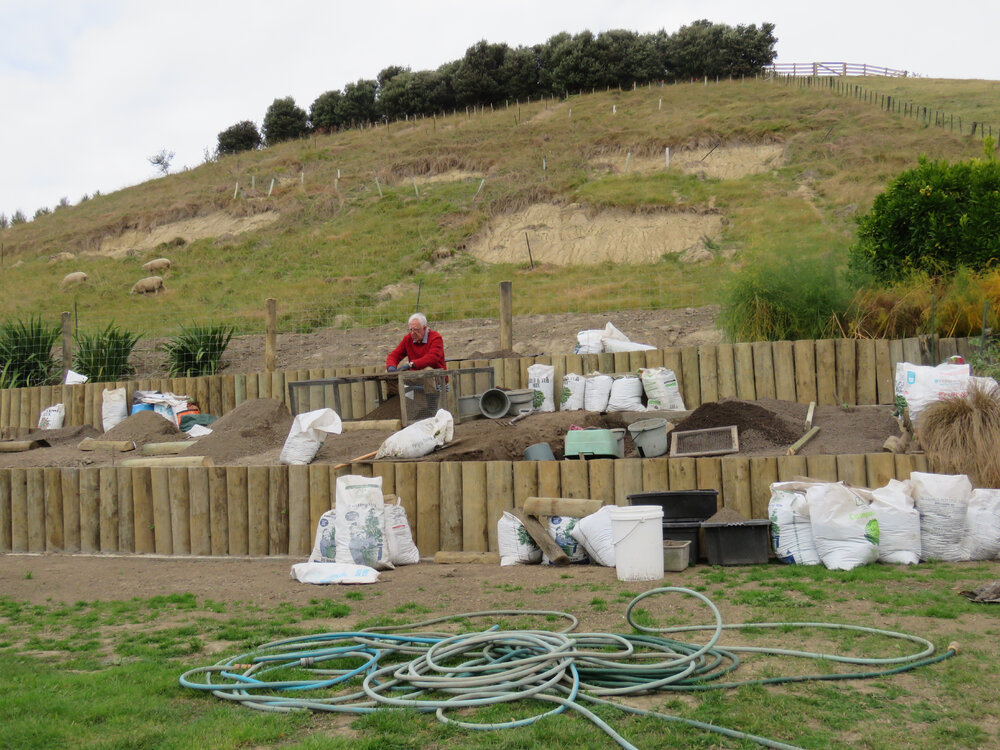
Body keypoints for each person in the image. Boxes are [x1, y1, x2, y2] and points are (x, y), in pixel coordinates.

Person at [385, 313, 446, 415]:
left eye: (416, 330)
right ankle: (395, 408)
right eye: (411, 330)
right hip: (415, 375)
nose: (413, 333)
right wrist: (391, 368)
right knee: (388, 372)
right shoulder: (408, 339)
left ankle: (432, 410)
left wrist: (411, 364)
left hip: (436, 377)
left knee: (427, 371)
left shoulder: (436, 338)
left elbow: (432, 358)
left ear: (424, 328)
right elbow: (393, 356)